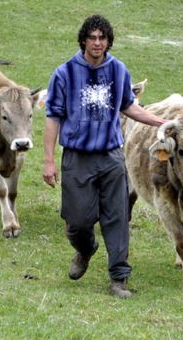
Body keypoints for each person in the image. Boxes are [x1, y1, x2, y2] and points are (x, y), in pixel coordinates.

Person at [42, 15, 166, 298]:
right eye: (92, 37)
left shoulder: (118, 70)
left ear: (108, 41)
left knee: (117, 217)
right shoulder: (64, 73)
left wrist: (158, 122)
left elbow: (129, 107)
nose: (97, 43)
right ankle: (85, 249)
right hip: (77, 157)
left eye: (102, 38)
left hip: (111, 156)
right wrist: (49, 161)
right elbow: (52, 119)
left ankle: (118, 278)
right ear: (83, 40)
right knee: (77, 223)